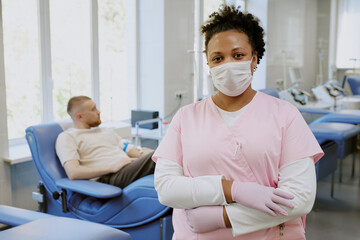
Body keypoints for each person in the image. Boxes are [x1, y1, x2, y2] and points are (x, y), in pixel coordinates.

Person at [152, 5, 323, 240]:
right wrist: (235, 190)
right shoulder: (186, 117)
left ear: (254, 59)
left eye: (238, 55)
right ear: (209, 66)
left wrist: (223, 217)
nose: (228, 65)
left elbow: (299, 199)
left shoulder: (285, 115)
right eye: (218, 58)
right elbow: (167, 188)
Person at [55, 96, 155, 189]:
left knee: (161, 156)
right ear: (79, 117)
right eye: (93, 109)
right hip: (108, 177)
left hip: (127, 168)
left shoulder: (105, 131)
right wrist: (111, 167)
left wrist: (145, 153)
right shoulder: (67, 137)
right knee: (159, 158)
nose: (98, 112)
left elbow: (129, 148)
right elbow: (73, 172)